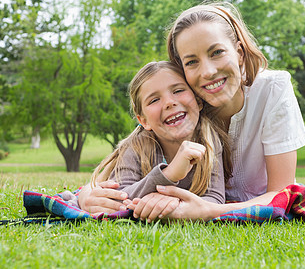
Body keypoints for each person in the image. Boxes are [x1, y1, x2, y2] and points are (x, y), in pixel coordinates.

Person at [80, 1, 305, 221]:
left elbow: (283, 195)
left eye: (217, 52)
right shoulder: (186, 106)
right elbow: (119, 168)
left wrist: (209, 211)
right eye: (191, 62)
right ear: (182, 71)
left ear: (239, 53)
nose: (208, 72)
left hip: (241, 205)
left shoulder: (273, 89)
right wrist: (86, 196)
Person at [78, 61, 231, 221]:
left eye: (178, 90)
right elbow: (117, 200)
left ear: (198, 101)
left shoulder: (210, 141)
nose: (169, 102)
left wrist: (171, 203)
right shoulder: (137, 146)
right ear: (144, 121)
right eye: (154, 100)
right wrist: (169, 174)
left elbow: (214, 199)